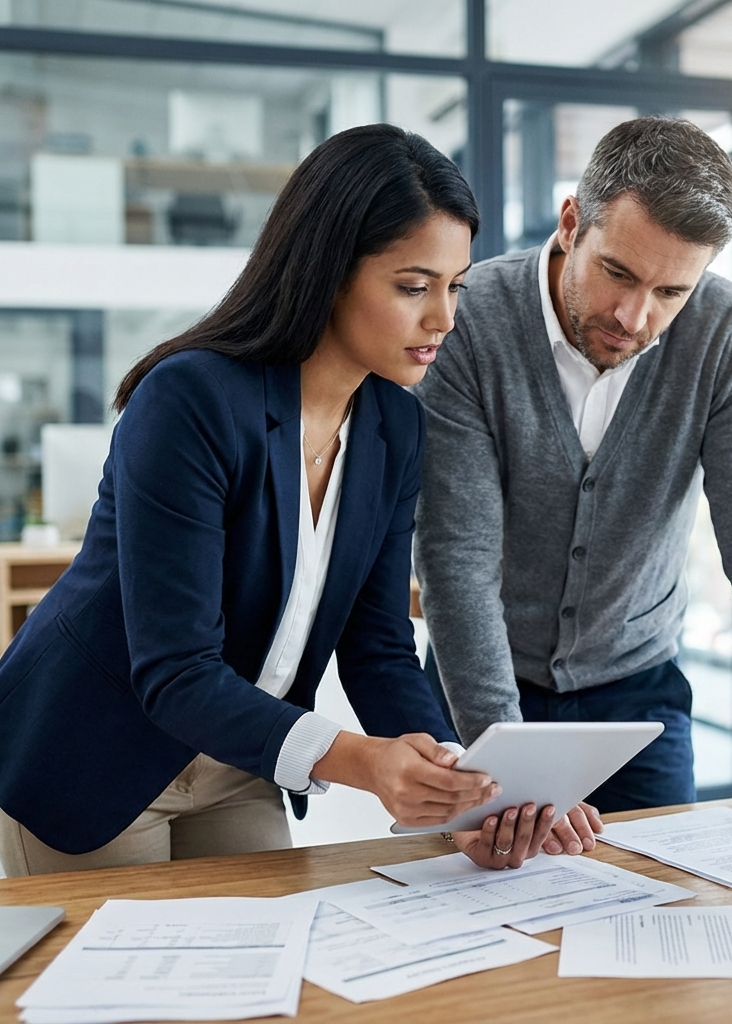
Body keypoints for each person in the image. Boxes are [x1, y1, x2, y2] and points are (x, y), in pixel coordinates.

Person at [0, 125, 554, 878]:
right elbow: (175, 670)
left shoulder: (394, 425)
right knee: (134, 960)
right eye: (413, 287)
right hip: (97, 755)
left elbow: (379, 646)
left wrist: (461, 791)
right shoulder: (190, 400)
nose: (444, 319)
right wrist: (366, 762)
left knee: (272, 950)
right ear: (329, 272)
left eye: (455, 286)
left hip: (241, 755)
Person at [413, 116, 732, 857]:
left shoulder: (725, 332)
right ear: (571, 223)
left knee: (661, 907)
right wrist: (511, 769)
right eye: (618, 273)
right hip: (478, 691)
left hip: (637, 697)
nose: (635, 317)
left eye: (671, 291)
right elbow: (456, 558)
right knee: (474, 903)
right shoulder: (471, 321)